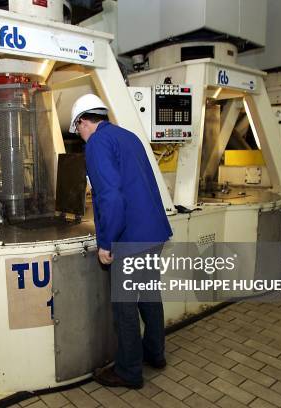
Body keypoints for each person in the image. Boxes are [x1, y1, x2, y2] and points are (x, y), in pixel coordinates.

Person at [69, 94, 173, 389]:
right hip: (153, 232)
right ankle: (156, 354)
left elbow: (111, 196)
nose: (81, 137)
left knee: (125, 307)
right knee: (150, 296)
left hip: (130, 238)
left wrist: (107, 242)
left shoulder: (98, 143)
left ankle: (129, 372)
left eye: (78, 130)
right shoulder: (128, 136)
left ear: (83, 122)